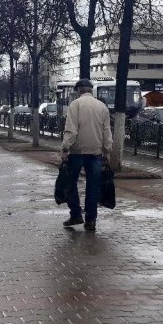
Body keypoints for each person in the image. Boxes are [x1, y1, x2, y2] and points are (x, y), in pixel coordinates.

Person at [60, 79, 113, 232]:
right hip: (96, 152)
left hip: (77, 152)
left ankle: (76, 214)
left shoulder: (75, 105)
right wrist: (107, 151)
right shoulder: (102, 106)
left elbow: (71, 130)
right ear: (90, 90)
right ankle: (91, 220)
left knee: (70, 183)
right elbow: (106, 131)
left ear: (79, 91)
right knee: (93, 187)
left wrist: (65, 148)